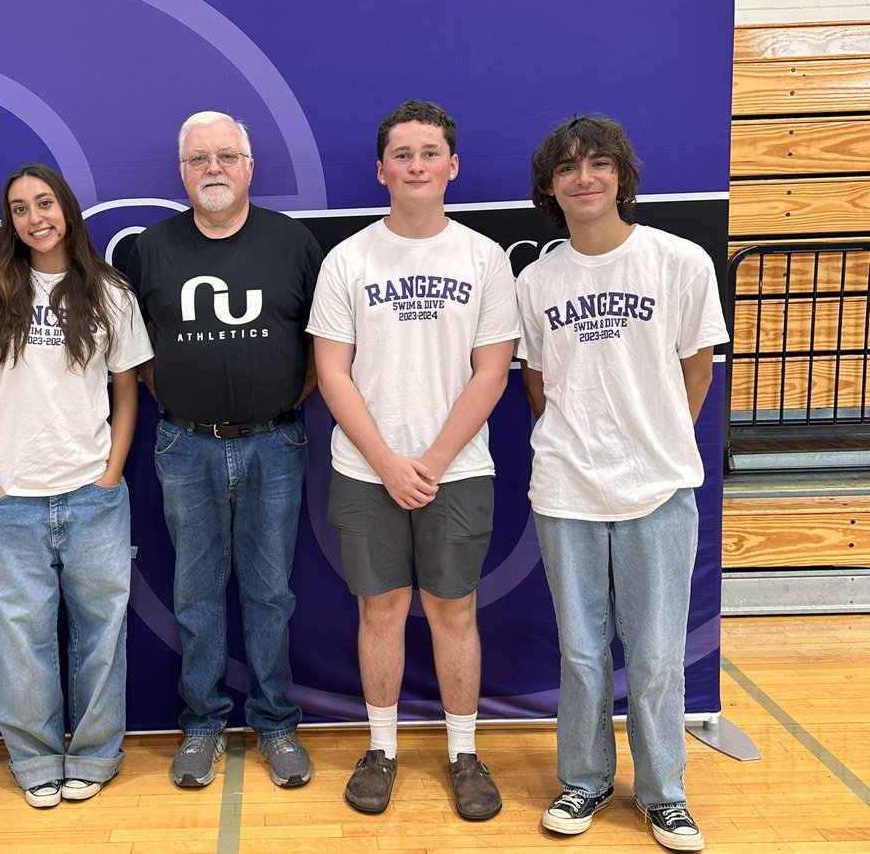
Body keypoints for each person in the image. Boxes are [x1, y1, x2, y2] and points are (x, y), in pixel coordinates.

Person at [517, 115, 727, 852]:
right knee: (581, 653)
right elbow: (539, 383)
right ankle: (585, 780)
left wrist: (655, 441)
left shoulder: (679, 262)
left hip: (659, 489)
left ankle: (665, 795)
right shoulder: (536, 281)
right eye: (568, 168)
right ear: (550, 187)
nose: (584, 178)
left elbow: (696, 370)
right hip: (567, 489)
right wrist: (582, 439)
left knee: (657, 656)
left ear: (621, 176)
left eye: (598, 164)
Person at [308, 100, 519, 820]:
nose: (416, 165)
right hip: (366, 470)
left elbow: (492, 371)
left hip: (456, 470)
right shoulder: (348, 259)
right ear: (381, 170)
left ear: (452, 166)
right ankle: (382, 749)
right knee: (381, 610)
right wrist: (388, 462)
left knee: (453, 610)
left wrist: (428, 459)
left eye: (430, 153)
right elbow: (332, 372)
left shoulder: (484, 258)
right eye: (403, 154)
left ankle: (464, 751)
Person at [125, 111, 324, 789]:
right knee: (196, 594)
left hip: (276, 443)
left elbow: (322, 346)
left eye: (226, 156)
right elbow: (137, 350)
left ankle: (276, 724)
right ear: (182, 172)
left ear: (249, 166)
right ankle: (204, 724)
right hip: (186, 445)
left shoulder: (293, 244)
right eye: (199, 159)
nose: (213, 168)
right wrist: (187, 404)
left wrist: (279, 404)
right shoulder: (149, 250)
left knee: (270, 593)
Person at [0, 164, 151, 808]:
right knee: (20, 637)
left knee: (102, 634)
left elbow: (127, 392)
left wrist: (111, 472)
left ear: (65, 209)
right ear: (9, 221)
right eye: (19, 208)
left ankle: (94, 755)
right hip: (10, 499)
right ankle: (35, 758)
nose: (34, 218)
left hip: (93, 494)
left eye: (44, 203)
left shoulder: (110, 292)